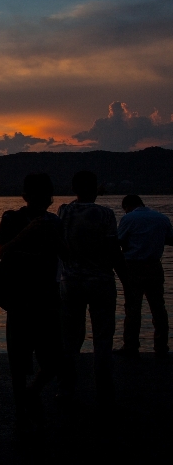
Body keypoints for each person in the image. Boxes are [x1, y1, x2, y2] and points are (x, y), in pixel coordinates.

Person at [0, 174, 63, 431]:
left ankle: (31, 393)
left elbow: (64, 254)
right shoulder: (11, 218)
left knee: (55, 357)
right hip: (20, 295)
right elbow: (4, 252)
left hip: (48, 294)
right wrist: (29, 231)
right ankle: (21, 409)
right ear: (26, 197)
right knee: (19, 359)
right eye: (35, 195)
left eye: (45, 196)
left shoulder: (55, 220)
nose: (41, 200)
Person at [57, 171, 124, 406]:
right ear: (96, 189)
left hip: (71, 281)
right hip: (101, 281)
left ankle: (67, 387)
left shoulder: (64, 210)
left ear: (74, 188)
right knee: (103, 337)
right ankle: (104, 389)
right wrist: (125, 278)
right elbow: (113, 249)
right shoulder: (106, 214)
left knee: (71, 338)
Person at [114, 194, 173, 358]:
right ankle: (161, 345)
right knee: (158, 308)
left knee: (132, 307)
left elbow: (118, 240)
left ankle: (130, 345)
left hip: (133, 266)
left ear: (127, 206)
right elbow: (170, 239)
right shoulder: (161, 218)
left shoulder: (129, 219)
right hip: (155, 265)